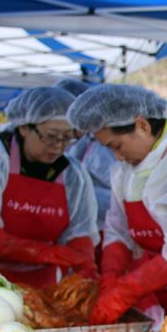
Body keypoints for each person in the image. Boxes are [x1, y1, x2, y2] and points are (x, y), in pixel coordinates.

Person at [67, 84, 167, 325]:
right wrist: (111, 277)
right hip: (165, 292)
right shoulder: (127, 169)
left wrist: (124, 292)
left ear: (142, 125)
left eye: (116, 146)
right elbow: (117, 229)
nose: (117, 157)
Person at [0, 87, 98, 287]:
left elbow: (80, 233)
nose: (58, 145)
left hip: (40, 282)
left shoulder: (74, 174)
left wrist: (86, 268)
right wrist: (45, 252)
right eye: (51, 136)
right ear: (24, 127)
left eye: (67, 137)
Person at [57, 78, 117, 226]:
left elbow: (120, 202)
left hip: (101, 231)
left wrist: (72, 195)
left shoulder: (97, 149)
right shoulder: (71, 144)